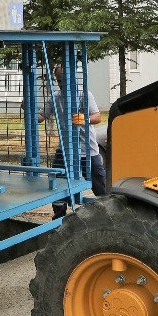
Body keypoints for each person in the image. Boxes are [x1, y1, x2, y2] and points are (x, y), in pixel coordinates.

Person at [38, 64, 106, 218]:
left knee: (98, 182)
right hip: (65, 149)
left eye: (65, 80)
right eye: (59, 80)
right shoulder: (54, 98)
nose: (62, 84)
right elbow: (40, 117)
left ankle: (106, 212)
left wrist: (85, 119)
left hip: (87, 148)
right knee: (57, 181)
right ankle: (59, 216)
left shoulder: (85, 94)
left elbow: (97, 117)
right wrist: (28, 109)